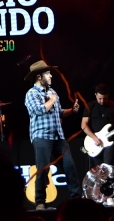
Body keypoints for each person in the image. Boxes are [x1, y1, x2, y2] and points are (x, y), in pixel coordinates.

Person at [24, 60, 81, 210]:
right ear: (39, 76)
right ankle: (40, 202)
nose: (51, 76)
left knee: (69, 166)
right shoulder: (31, 94)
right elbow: (39, 110)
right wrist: (52, 100)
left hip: (58, 137)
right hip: (42, 136)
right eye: (48, 73)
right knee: (43, 169)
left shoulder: (53, 92)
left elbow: (59, 112)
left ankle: (76, 198)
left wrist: (72, 111)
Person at [81, 83, 114, 167]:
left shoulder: (113, 106)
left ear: (108, 95)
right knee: (98, 168)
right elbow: (83, 125)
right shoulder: (90, 106)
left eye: (104, 98)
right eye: (100, 99)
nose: (102, 101)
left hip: (109, 140)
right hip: (95, 141)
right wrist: (94, 138)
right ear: (95, 95)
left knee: (108, 166)